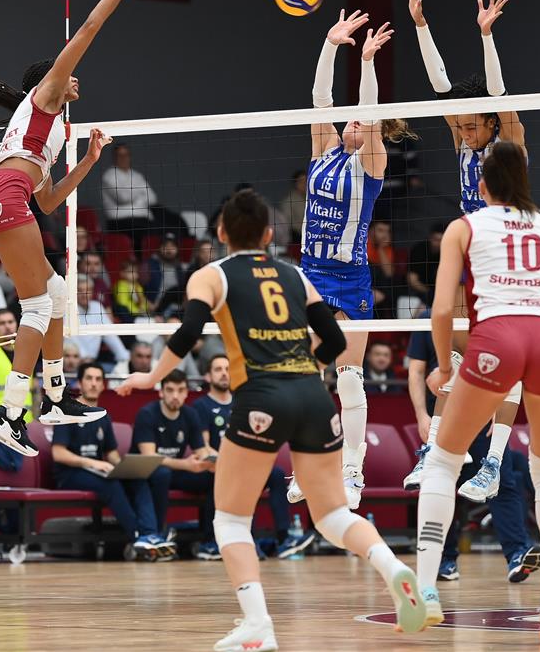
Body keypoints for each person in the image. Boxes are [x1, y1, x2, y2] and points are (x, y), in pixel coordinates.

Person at [119, 189, 424, 649]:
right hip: (312, 395)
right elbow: (335, 340)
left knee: (230, 520)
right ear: (267, 234)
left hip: (261, 396)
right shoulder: (295, 275)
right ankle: (393, 567)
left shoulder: (211, 275)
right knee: (332, 515)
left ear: (221, 232)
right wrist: (300, 365)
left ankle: (258, 624)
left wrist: (150, 376)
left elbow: (187, 332)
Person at [0, 0, 167, 455]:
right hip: (1, 196)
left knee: (56, 292)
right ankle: (10, 412)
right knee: (38, 304)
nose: (76, 80)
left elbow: (48, 203)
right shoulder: (47, 97)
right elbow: (88, 28)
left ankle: (56, 397)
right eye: (70, 75)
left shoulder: (51, 134)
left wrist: (87, 161)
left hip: (4, 198)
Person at [414, 141, 540, 641]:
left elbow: (443, 310)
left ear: (481, 186)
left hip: (496, 338)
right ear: (525, 181)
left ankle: (426, 590)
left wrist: (444, 367)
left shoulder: (464, 226)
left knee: (443, 460)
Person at [409, 0, 526, 501]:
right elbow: (440, 90)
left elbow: (501, 98)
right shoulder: (462, 136)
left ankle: (493, 462)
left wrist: (486, 36)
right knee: (452, 355)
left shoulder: (508, 143)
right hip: (468, 248)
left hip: (506, 253)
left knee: (507, 360)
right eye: (458, 126)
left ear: (489, 122)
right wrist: (421, 27)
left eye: (470, 126)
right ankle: (437, 451)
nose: (461, 131)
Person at [292, 10, 415, 509]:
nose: (353, 123)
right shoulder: (324, 149)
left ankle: (352, 472)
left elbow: (371, 112)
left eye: (362, 123)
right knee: (302, 373)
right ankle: (307, 466)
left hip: (350, 277)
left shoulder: (371, 164)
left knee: (349, 375)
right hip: (310, 273)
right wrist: (330, 45)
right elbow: (319, 99)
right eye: (351, 120)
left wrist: (366, 62)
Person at [404, 309, 540, 585]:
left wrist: (498, 406)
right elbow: (417, 370)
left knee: (501, 479)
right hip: (445, 410)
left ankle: (517, 554)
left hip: (484, 407)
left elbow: (501, 363)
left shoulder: (487, 310)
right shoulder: (429, 316)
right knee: (441, 482)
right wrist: (421, 414)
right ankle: (444, 560)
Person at [192, 354, 312, 560]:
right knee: (237, 478)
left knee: (276, 474)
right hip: (218, 467)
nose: (224, 374)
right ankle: (234, 541)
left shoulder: (242, 403)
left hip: (243, 463)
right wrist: (228, 461)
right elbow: (204, 447)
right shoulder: (201, 406)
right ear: (208, 376)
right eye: (218, 369)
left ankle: (284, 539)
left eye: (227, 369)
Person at [52, 362, 167, 558]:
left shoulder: (102, 416)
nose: (94, 383)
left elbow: (111, 453)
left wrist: (125, 467)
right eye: (89, 378)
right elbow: (58, 454)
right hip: (69, 474)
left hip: (97, 472)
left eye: (98, 379)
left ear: (103, 385)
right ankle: (137, 536)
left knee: (137, 479)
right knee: (109, 483)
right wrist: (93, 463)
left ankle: (151, 534)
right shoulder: (66, 412)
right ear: (79, 383)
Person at [131, 369, 212, 555]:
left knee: (213, 478)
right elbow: (149, 457)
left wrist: (212, 463)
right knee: (162, 474)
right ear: (161, 392)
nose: (175, 395)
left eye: (180, 390)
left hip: (175, 470)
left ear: (186, 393)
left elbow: (201, 451)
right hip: (144, 472)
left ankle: (211, 541)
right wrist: (185, 464)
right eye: (170, 390)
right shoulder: (147, 413)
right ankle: (158, 533)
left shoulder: (190, 414)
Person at [72, 274, 130, 372]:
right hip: (72, 361)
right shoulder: (67, 310)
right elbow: (70, 339)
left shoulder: (97, 307)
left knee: (116, 370)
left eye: (88, 290)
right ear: (74, 292)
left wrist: (124, 357)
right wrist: (84, 357)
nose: (84, 294)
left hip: (92, 362)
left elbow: (110, 335)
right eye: (80, 290)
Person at [101, 144, 157, 246]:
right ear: (114, 157)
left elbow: (152, 198)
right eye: (120, 155)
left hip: (143, 219)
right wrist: (140, 192)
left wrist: (132, 193)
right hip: (121, 221)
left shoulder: (137, 175)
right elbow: (123, 198)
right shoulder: (109, 175)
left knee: (170, 224)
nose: (123, 158)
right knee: (146, 234)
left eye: (126, 155)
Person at [144, 232, 188, 316]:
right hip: (154, 309)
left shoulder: (182, 268)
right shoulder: (149, 265)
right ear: (160, 248)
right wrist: (148, 304)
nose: (169, 249)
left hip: (177, 310)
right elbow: (138, 289)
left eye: (172, 246)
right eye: (166, 246)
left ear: (177, 249)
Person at [112, 258, 151, 322]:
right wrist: (136, 310)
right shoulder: (121, 285)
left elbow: (142, 300)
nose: (133, 274)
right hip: (129, 315)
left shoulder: (138, 286)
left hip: (141, 313)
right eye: (130, 272)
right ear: (122, 273)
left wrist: (144, 309)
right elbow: (122, 303)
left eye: (135, 271)